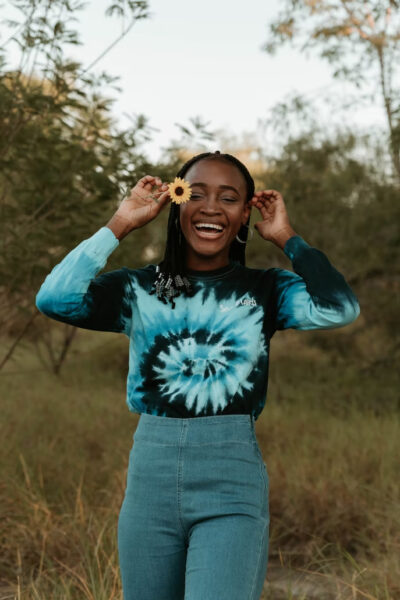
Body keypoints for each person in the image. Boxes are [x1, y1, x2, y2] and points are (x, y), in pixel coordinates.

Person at [35, 150, 360, 600]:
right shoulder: (139, 288)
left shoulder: (267, 290)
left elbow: (340, 307)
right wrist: (121, 223)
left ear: (245, 214)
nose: (211, 207)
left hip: (232, 484)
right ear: (176, 202)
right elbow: (54, 298)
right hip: (150, 482)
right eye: (197, 193)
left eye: (229, 198)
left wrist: (287, 238)